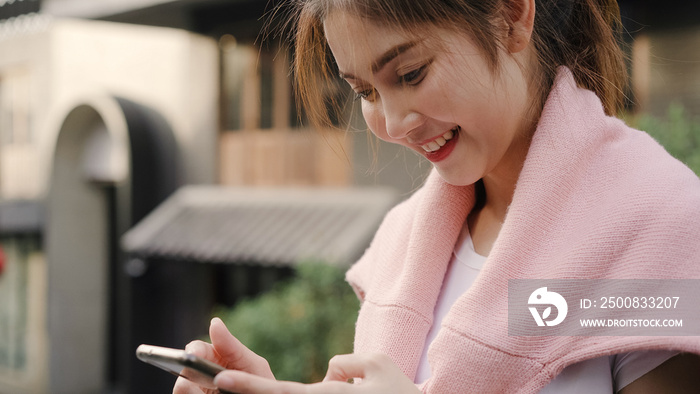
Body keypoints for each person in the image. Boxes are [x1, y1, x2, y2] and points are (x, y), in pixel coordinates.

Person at [174, 0, 700, 392]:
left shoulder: (658, 222)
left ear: (511, 17)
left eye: (410, 73)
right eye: (365, 92)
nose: (394, 123)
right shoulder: (403, 241)